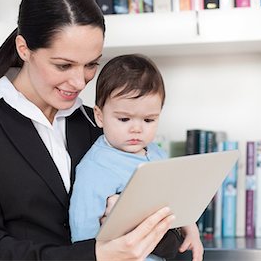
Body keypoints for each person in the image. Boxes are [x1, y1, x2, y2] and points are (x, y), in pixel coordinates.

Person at [0, 0, 176, 260]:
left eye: (91, 65)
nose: (78, 82)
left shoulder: (98, 123)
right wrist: (96, 255)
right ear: (24, 49)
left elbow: (168, 241)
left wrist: (143, 224)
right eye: (63, 65)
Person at [69, 54, 204, 261]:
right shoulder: (95, 167)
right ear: (99, 116)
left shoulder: (157, 152)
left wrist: (190, 229)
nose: (136, 129)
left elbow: (175, 199)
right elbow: (82, 228)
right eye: (124, 119)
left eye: (149, 119)